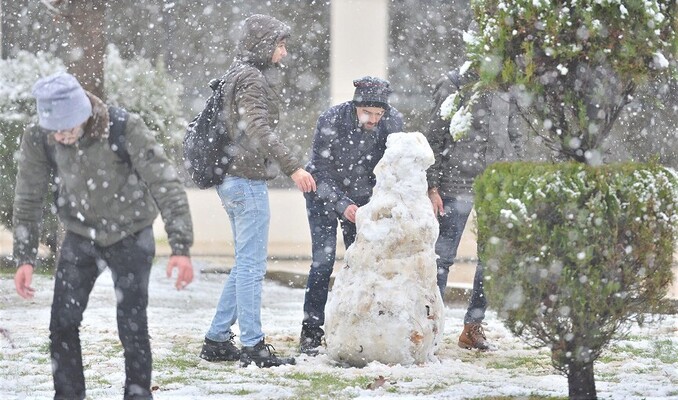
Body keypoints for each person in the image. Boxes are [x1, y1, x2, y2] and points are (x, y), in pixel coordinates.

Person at [12, 72, 194, 400]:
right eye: (55, 132)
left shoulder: (124, 128)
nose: (62, 137)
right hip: (81, 235)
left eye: (67, 128)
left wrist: (180, 246)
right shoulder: (40, 136)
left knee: (132, 325)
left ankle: (138, 395)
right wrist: (24, 256)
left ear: (82, 115)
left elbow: (165, 183)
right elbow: (28, 195)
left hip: (131, 234)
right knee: (62, 324)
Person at [199, 14, 316, 368]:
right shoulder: (250, 78)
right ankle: (253, 346)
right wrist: (293, 166)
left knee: (245, 263)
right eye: (280, 45)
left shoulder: (238, 73)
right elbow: (258, 128)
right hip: (245, 181)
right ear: (264, 45)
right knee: (252, 266)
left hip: (234, 179)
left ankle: (217, 339)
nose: (283, 52)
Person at [299, 76, 404, 355]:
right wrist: (341, 203)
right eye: (367, 113)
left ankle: (358, 325)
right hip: (323, 194)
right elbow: (319, 170)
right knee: (323, 262)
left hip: (361, 200)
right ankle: (311, 330)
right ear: (356, 106)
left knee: (362, 262)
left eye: (378, 114)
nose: (373, 119)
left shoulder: (393, 123)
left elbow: (393, 168)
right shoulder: (331, 119)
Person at [425, 66, 521, 351]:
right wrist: (433, 186)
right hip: (455, 185)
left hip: (495, 185)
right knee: (441, 259)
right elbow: (435, 136)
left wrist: (512, 172)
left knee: (491, 260)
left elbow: (514, 137)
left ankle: (473, 327)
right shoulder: (454, 84)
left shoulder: (508, 86)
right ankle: (430, 328)